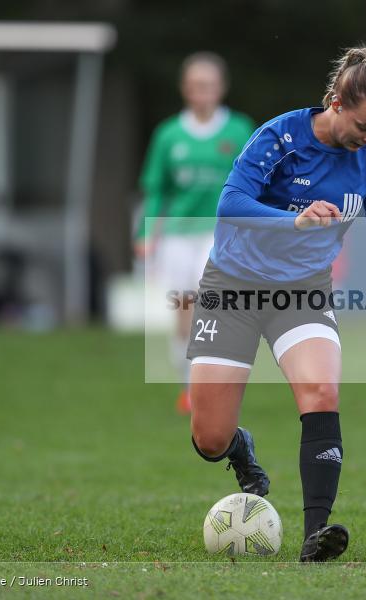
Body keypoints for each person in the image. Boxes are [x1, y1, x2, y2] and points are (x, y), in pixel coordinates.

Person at [185, 45, 366, 562]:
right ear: (336, 102)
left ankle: (316, 533)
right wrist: (295, 219)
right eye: (364, 126)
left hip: (303, 289)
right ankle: (238, 447)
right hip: (234, 285)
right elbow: (230, 202)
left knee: (320, 389)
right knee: (209, 437)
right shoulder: (280, 137)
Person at [137, 52, 254, 414]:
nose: (201, 92)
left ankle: (216, 385)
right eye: (194, 85)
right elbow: (157, 190)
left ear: (221, 88)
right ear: (185, 89)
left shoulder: (239, 130)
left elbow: (255, 184)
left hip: (219, 233)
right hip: (177, 235)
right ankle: (188, 387)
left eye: (208, 85)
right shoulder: (169, 134)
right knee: (184, 310)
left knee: (212, 301)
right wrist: (147, 234)